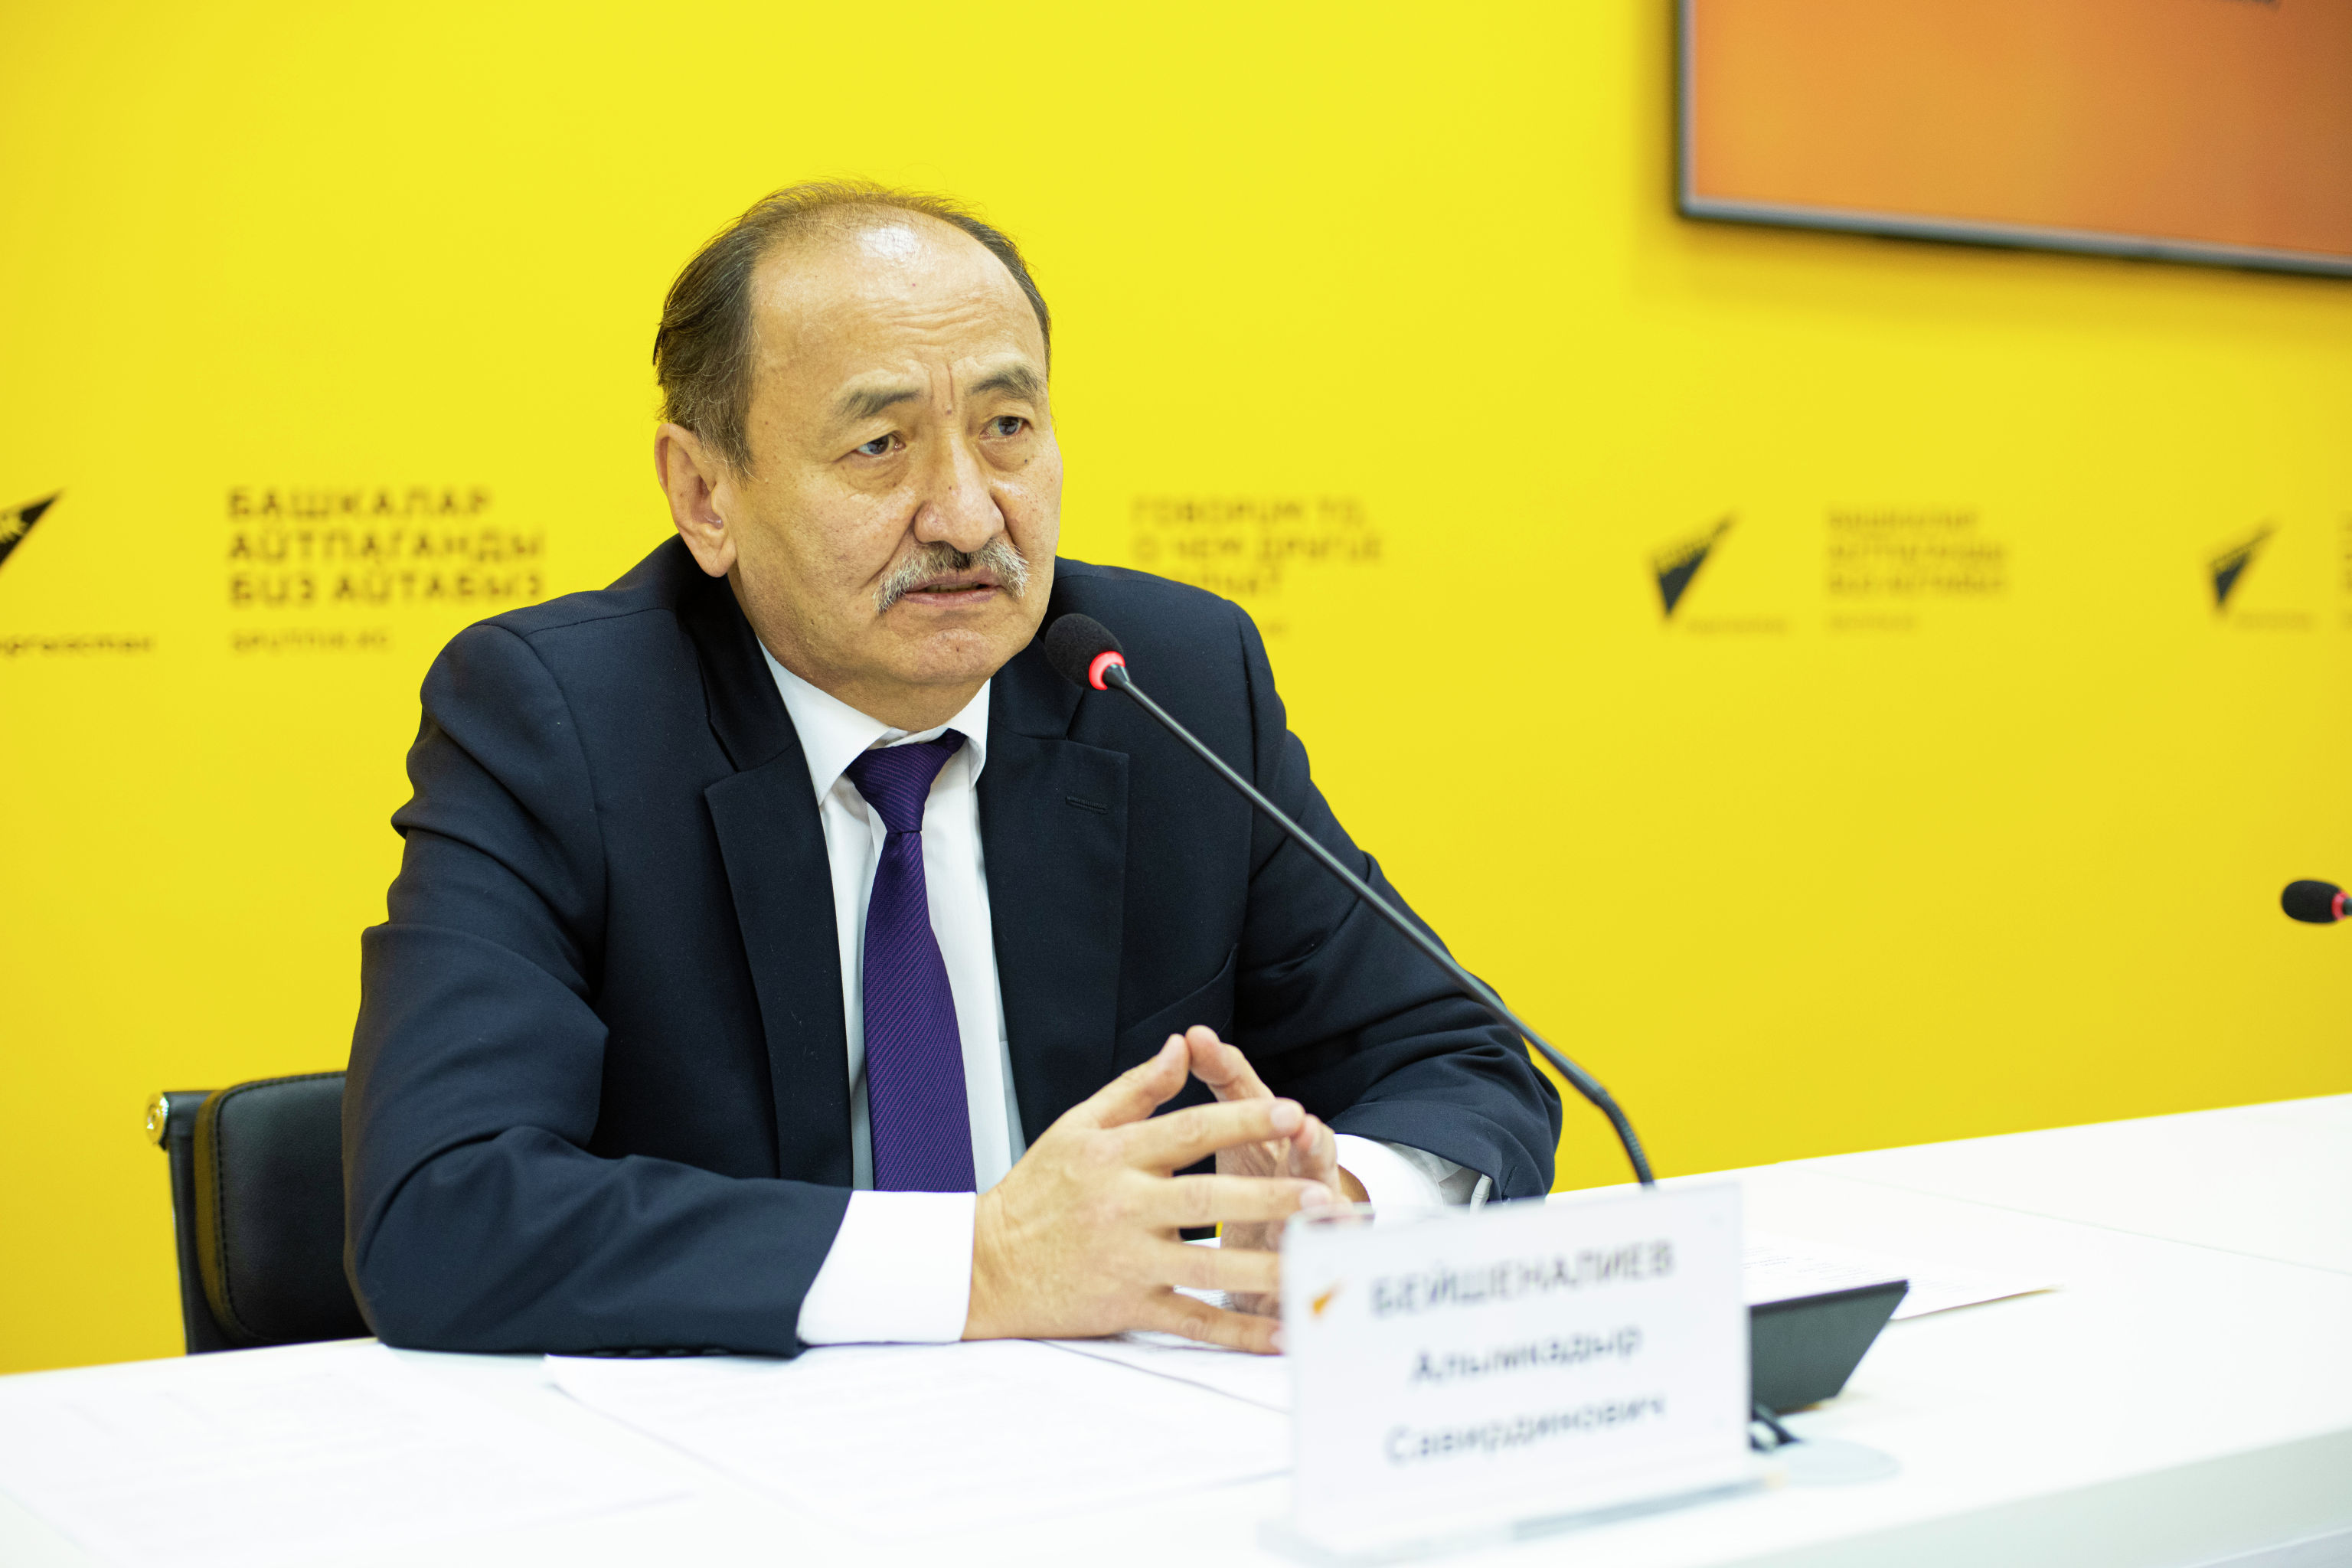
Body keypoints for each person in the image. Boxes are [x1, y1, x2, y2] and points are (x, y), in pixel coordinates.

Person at [343, 181, 1561, 1357]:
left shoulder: (1164, 682)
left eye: (1007, 430)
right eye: (879, 445)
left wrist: (1334, 1203)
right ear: (705, 495)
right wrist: (978, 1265)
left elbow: (1461, 1065)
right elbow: (442, 1208)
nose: (970, 517)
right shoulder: (560, 723)